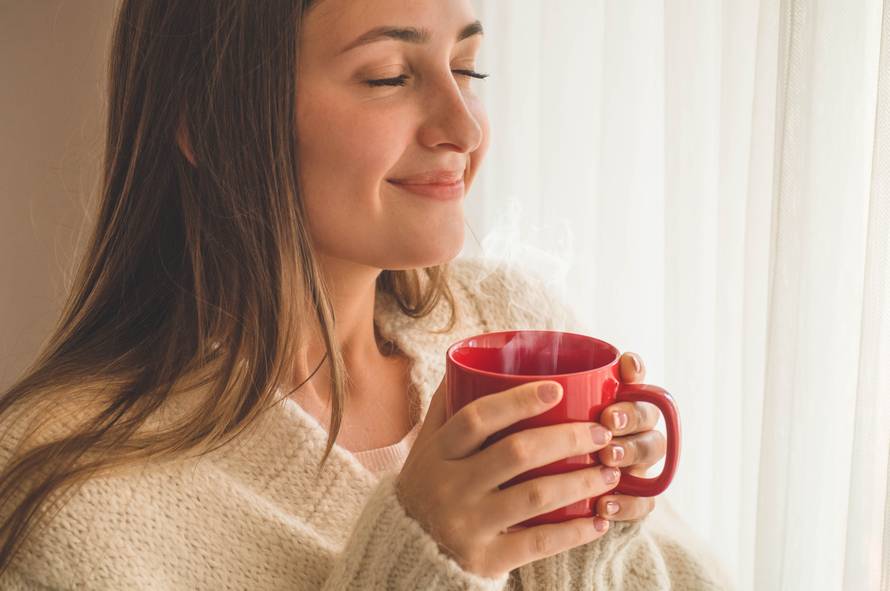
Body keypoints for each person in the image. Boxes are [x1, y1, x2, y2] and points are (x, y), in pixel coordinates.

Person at [0, 0, 733, 588]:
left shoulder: (512, 320)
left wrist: (590, 527)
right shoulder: (71, 492)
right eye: (388, 76)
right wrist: (425, 558)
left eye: (467, 69)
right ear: (210, 119)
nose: (463, 126)